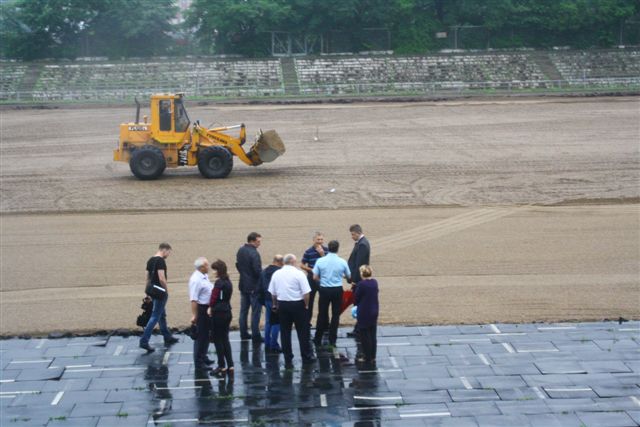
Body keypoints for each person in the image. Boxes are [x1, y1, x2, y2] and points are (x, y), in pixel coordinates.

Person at [268, 254, 315, 366]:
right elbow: (306, 293)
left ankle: (288, 357)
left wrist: (275, 305)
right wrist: (306, 305)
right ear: (293, 262)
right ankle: (306, 355)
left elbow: (273, 293)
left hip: (283, 305)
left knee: (285, 332)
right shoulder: (299, 274)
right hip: (298, 304)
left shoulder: (276, 274)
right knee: (303, 332)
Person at [140, 242, 179, 353]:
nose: (168, 255)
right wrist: (166, 290)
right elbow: (161, 278)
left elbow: (147, 278)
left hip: (152, 290)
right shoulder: (161, 261)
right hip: (160, 291)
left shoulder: (150, 260)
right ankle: (144, 341)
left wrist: (147, 294)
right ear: (164, 250)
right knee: (156, 316)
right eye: (168, 253)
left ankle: (167, 336)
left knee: (161, 314)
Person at [312, 240, 351, 348]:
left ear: (328, 248)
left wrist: (322, 281)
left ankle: (317, 338)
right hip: (337, 289)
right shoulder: (342, 261)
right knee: (335, 315)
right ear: (337, 249)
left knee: (322, 314)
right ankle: (332, 339)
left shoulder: (320, 261)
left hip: (324, 289)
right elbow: (348, 276)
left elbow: (314, 277)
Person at [208, 259, 234, 377]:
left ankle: (221, 365)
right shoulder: (228, 282)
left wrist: (210, 307)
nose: (213, 273)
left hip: (219, 313)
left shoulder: (219, 283)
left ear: (218, 271)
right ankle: (230, 364)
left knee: (218, 340)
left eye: (214, 270)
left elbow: (214, 298)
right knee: (225, 339)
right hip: (227, 311)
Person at [236, 232, 263, 343]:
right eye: (258, 241)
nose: (259, 243)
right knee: (255, 312)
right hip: (253, 287)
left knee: (243, 311)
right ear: (252, 241)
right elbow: (257, 271)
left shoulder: (240, 250)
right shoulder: (254, 253)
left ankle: (243, 333)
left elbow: (237, 265)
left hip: (243, 284)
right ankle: (256, 335)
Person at [189, 257, 213, 369]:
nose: (209, 266)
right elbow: (194, 299)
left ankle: (203, 356)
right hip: (201, 309)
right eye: (207, 265)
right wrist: (195, 315)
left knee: (206, 335)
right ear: (202, 267)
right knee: (201, 336)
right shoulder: (196, 280)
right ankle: (199, 361)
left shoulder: (204, 276)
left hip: (207, 308)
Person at [301, 232, 329, 328]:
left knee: (324, 302)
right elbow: (302, 265)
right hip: (311, 279)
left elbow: (328, 264)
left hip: (322, 279)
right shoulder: (308, 251)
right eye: (318, 240)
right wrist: (311, 270)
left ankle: (324, 324)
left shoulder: (327, 251)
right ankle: (307, 323)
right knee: (310, 302)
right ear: (314, 240)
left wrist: (322, 254)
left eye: (321, 239)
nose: (320, 242)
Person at [347, 225, 370, 338]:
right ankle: (358, 329)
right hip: (358, 279)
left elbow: (359, 265)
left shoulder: (362, 245)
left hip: (358, 280)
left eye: (352, 234)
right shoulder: (362, 243)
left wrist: (354, 280)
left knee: (358, 305)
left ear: (357, 233)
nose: (352, 237)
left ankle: (359, 330)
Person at [354, 265, 379, 366]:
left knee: (365, 336)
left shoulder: (361, 284)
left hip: (364, 311)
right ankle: (373, 356)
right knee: (373, 335)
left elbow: (357, 298)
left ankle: (367, 357)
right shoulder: (374, 282)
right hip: (374, 310)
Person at [260, 254, 284, 353]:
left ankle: (267, 343)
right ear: (280, 262)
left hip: (266, 299)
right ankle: (274, 345)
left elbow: (260, 285)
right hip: (275, 299)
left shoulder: (264, 271)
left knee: (268, 321)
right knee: (276, 323)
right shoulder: (279, 272)